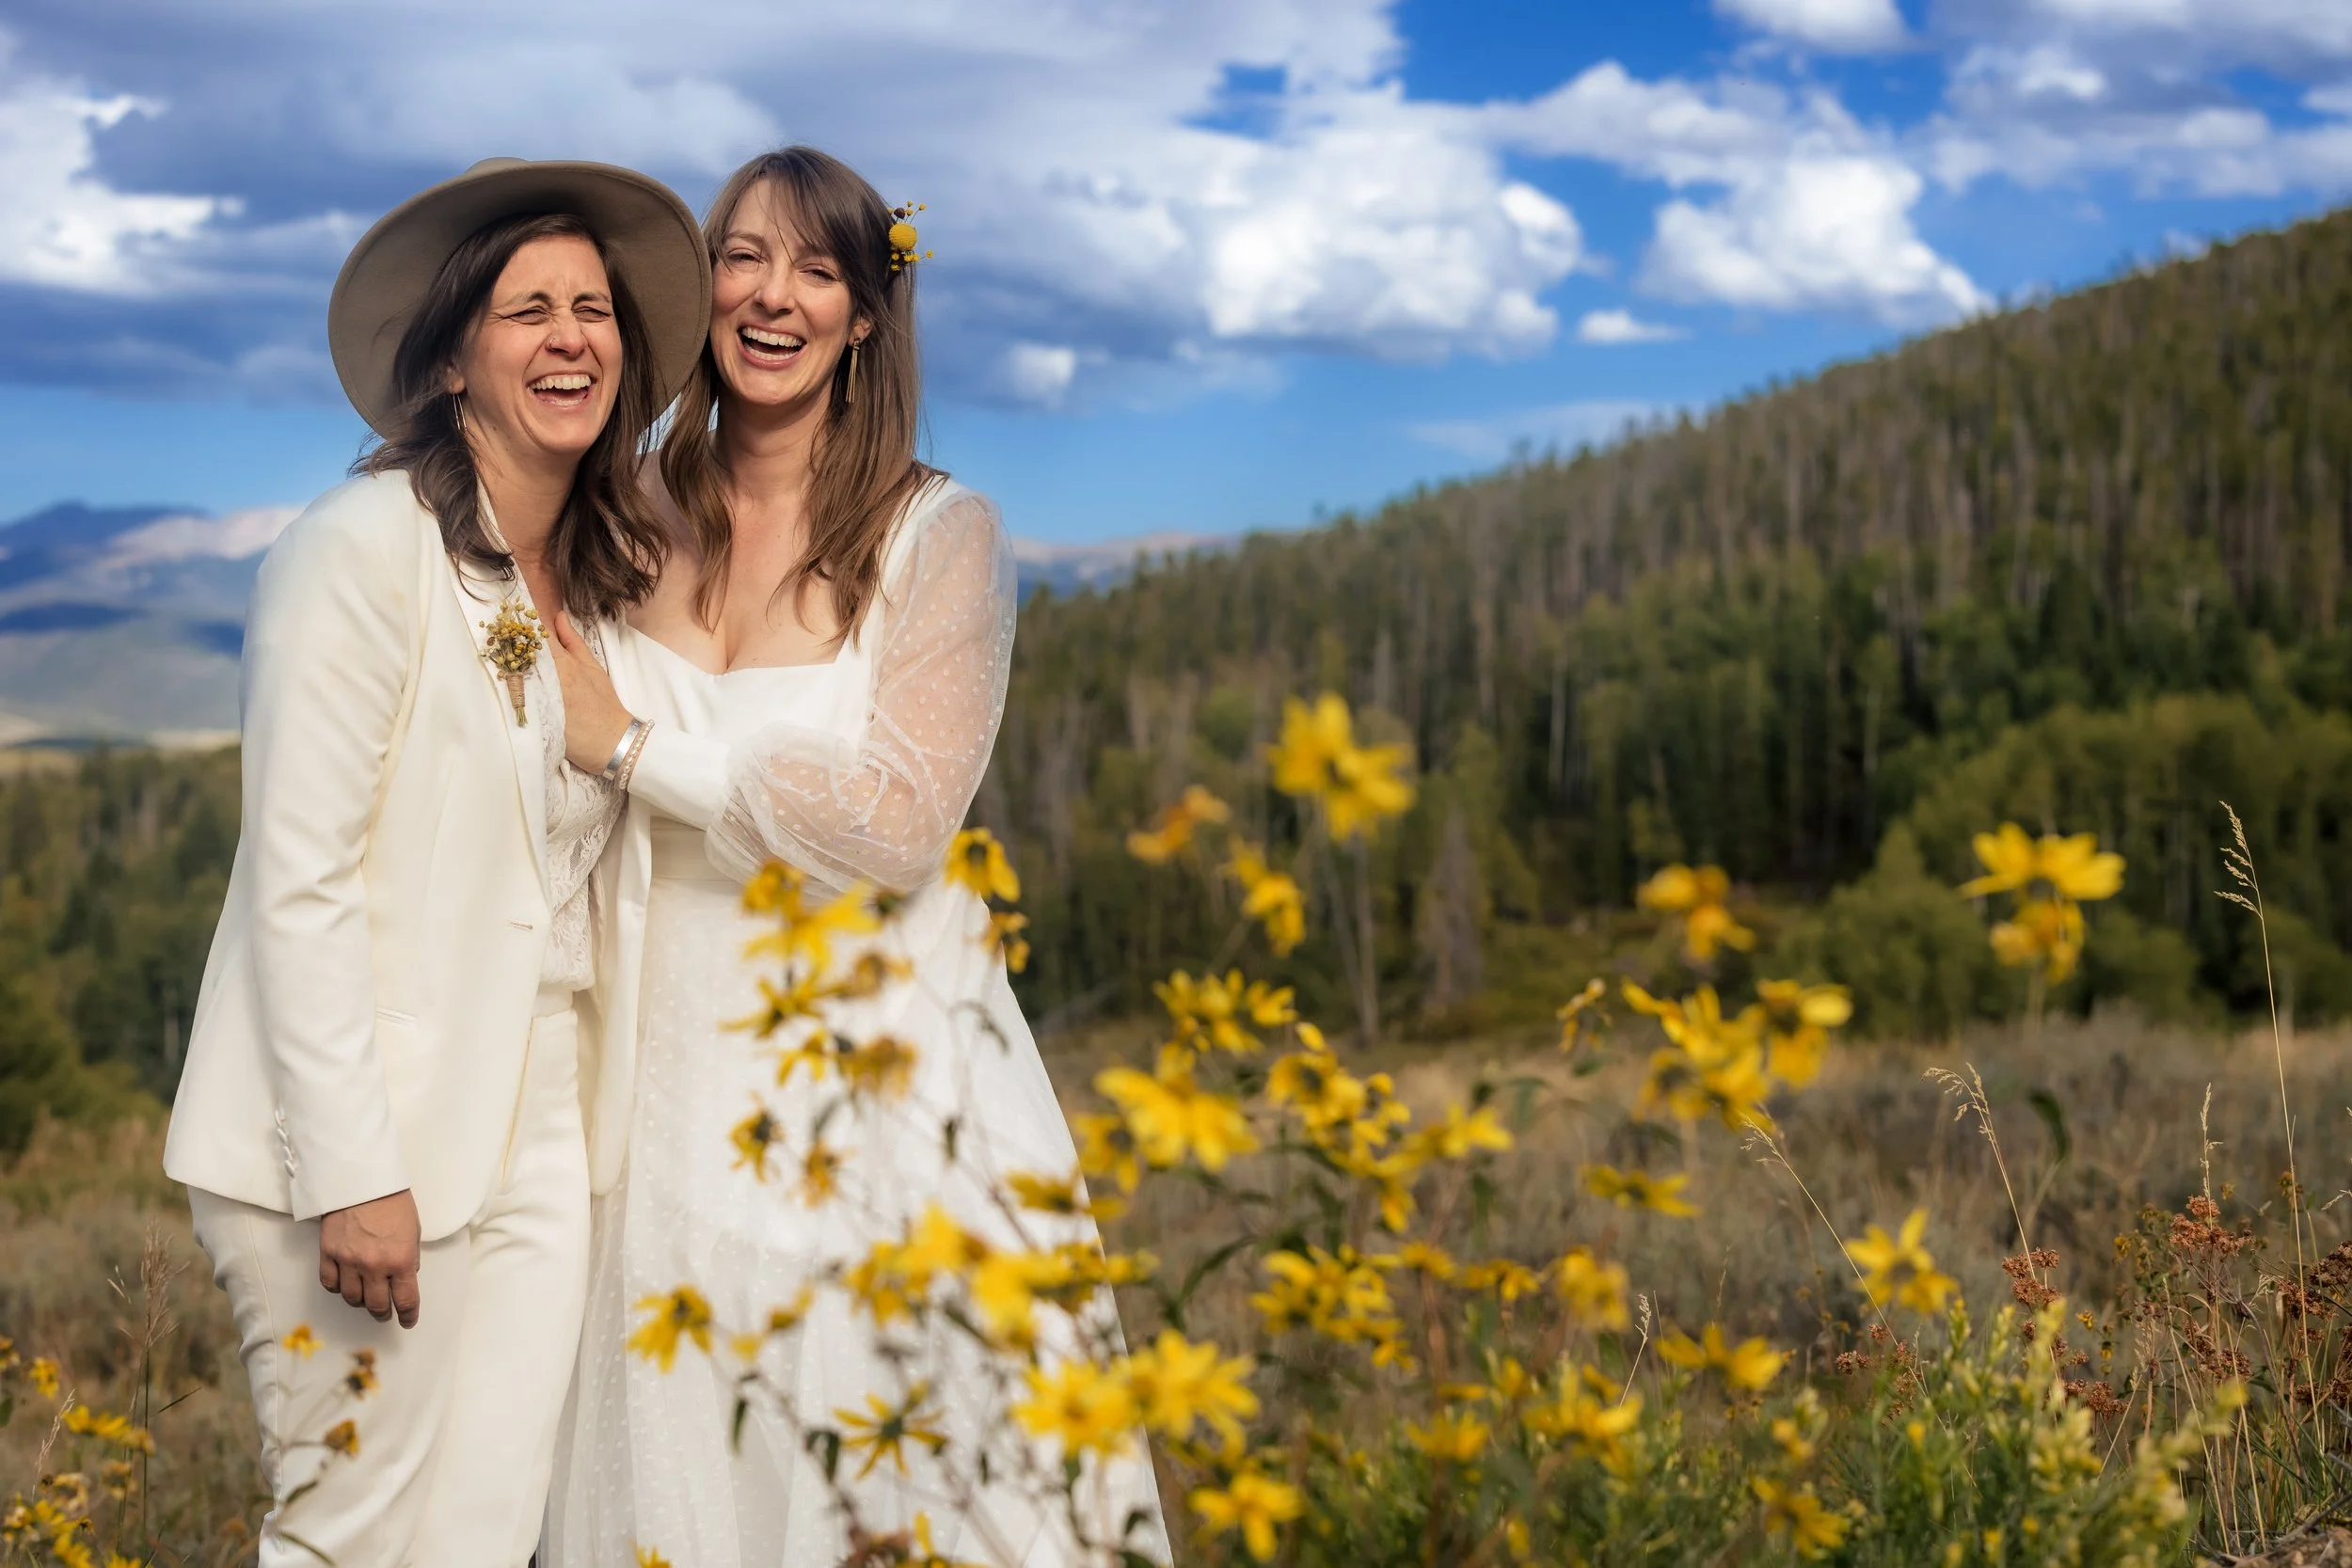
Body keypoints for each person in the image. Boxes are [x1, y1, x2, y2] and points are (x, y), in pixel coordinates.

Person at [540, 147, 1167, 1566]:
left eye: (817, 270)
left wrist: (634, 747)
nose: (774, 297)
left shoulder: (939, 533)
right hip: (650, 1065)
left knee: (874, 1454)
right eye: (744, 258)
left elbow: (895, 825)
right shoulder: (621, 510)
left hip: (866, 1073)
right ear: (700, 285)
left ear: (867, 315)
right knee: (676, 1453)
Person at [162, 157, 708, 1568]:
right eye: (529, 310)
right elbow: (299, 881)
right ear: (454, 359)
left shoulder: (589, 583)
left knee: (486, 1528)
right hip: (360, 1130)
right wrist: (356, 1171)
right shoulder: (358, 551)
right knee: (352, 1527)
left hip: (540, 1118)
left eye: (593, 309)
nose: (572, 339)